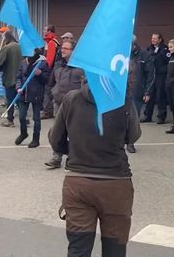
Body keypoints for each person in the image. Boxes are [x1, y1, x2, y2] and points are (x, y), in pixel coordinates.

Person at [49, 79, 140, 257]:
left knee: (78, 248)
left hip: (78, 180)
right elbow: (133, 135)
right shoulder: (123, 100)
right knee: (115, 248)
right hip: (116, 182)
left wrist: (73, 150)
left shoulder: (71, 99)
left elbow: (55, 138)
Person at [45, 39, 84, 168]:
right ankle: (56, 157)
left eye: (66, 48)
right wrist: (53, 93)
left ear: (74, 51)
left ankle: (73, 158)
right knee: (57, 132)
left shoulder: (82, 67)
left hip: (76, 105)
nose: (62, 50)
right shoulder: (58, 65)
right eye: (62, 48)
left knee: (74, 132)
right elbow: (51, 82)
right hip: (59, 103)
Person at [14, 49, 50, 148]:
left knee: (36, 118)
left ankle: (36, 138)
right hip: (23, 93)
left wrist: (40, 74)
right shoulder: (23, 63)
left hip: (37, 94)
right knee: (21, 116)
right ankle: (23, 133)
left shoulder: (42, 64)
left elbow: (47, 79)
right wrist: (18, 87)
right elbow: (18, 77)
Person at [0, 31, 22, 127]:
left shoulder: (7, 48)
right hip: (20, 78)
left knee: (10, 99)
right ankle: (24, 117)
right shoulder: (20, 46)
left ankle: (10, 120)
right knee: (19, 100)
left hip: (9, 77)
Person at [143, 33, 170, 124]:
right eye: (152, 38)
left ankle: (161, 116)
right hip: (151, 75)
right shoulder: (149, 49)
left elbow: (168, 63)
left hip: (161, 76)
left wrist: (162, 70)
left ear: (160, 39)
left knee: (160, 95)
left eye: (155, 38)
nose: (153, 40)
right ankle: (147, 115)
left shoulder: (165, 50)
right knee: (150, 95)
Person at [41, 25, 61, 120]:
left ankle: (47, 111)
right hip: (54, 70)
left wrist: (44, 70)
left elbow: (49, 60)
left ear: (49, 31)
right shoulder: (53, 42)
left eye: (45, 30)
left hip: (50, 70)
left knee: (47, 90)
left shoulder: (51, 43)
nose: (43, 31)